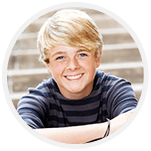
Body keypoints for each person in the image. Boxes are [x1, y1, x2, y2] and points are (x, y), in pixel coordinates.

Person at [17, 9, 138, 144]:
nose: (72, 66)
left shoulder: (116, 90)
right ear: (48, 64)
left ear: (97, 57)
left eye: (82, 54)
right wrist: (107, 128)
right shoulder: (35, 99)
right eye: (61, 57)